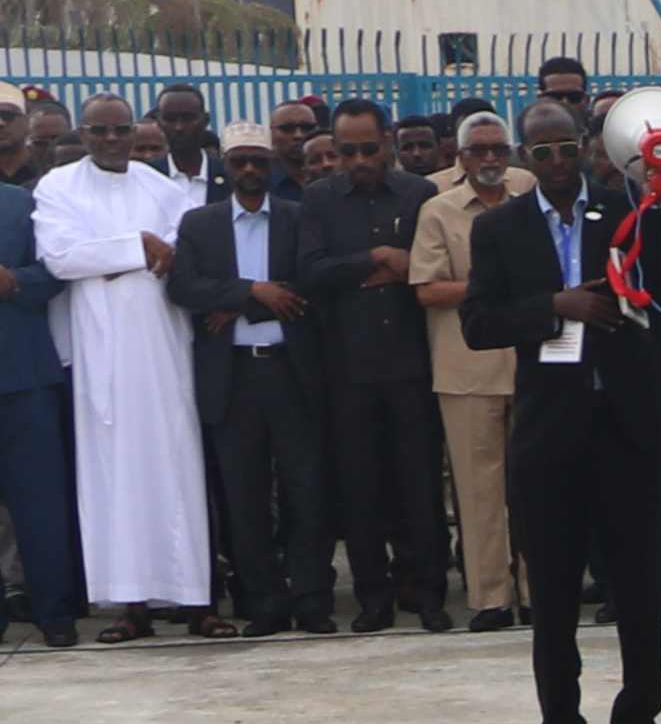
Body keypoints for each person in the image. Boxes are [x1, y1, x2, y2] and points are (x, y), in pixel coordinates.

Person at [459, 101, 661, 724]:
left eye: (566, 147)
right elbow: (478, 321)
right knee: (554, 592)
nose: (557, 162)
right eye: (542, 151)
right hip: (548, 431)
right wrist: (554, 307)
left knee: (638, 588)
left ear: (587, 146)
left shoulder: (627, 212)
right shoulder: (501, 228)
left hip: (626, 425)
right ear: (522, 157)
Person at [40, 100, 217, 639]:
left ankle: (195, 599)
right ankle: (130, 605)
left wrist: (118, 260)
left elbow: (180, 253)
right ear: (84, 133)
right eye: (100, 131)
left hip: (164, 345)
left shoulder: (160, 186)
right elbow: (61, 257)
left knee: (178, 466)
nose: (112, 140)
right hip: (103, 352)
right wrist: (136, 248)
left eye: (122, 130)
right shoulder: (57, 186)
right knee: (112, 475)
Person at [171, 134, 332, 635]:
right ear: (228, 165)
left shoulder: (298, 215)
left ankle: (310, 599)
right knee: (245, 495)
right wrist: (251, 291)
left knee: (307, 491)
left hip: (291, 370)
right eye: (238, 161)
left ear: (270, 165)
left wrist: (239, 305)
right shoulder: (200, 223)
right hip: (234, 375)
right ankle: (263, 601)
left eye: (256, 161)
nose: (248, 169)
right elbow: (183, 287)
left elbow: (310, 285)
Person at [295, 107, 443, 635]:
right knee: (360, 491)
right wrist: (376, 258)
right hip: (348, 368)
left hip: (412, 364)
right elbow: (311, 273)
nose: (359, 161)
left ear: (387, 142)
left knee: (419, 486)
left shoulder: (419, 195)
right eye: (347, 151)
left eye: (368, 150)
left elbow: (428, 268)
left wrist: (392, 268)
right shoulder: (318, 200)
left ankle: (427, 592)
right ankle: (373, 597)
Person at [413, 114, 519, 631]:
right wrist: (496, 287)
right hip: (466, 367)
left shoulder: (531, 195)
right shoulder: (439, 210)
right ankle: (491, 597)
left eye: (499, 149)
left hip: (534, 363)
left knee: (537, 487)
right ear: (461, 157)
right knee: (478, 493)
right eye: (479, 151)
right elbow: (428, 289)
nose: (490, 159)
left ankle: (539, 590)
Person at [0, 146, 78, 652]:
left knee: (41, 506)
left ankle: (56, 613)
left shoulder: (18, 204)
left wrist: (12, 281)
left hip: (23, 377)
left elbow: (55, 271)